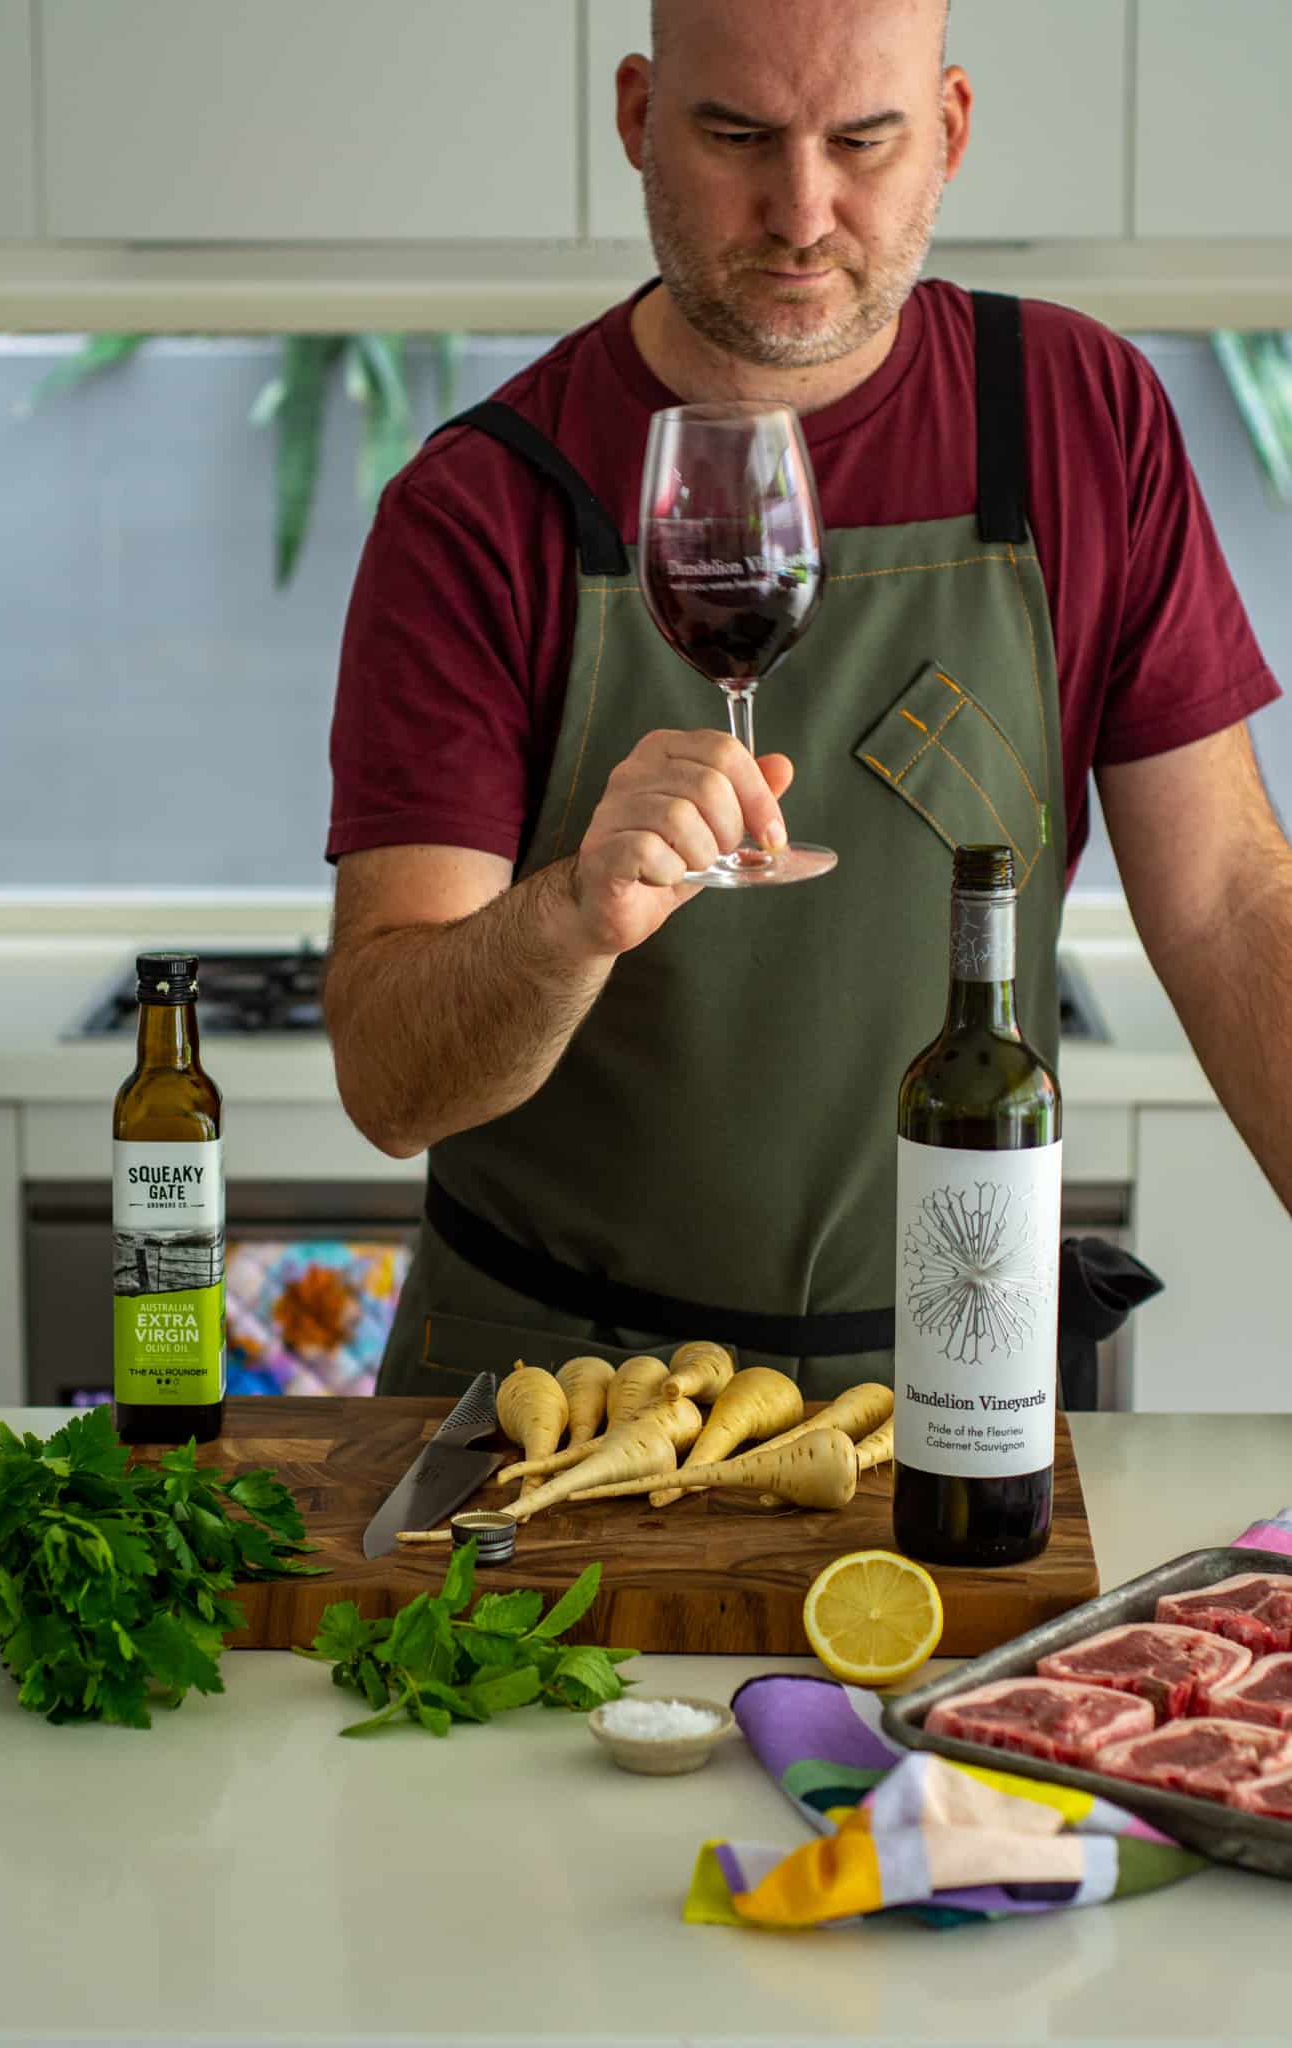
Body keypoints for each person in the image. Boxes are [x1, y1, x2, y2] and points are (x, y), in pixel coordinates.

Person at [325, 0, 1283, 1400]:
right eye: (736, 137)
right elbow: (394, 1087)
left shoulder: (1082, 415)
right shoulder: (478, 508)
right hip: (554, 1404)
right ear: (639, 116)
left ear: (947, 130)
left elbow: (1227, 907)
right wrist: (569, 915)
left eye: (864, 139)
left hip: (961, 1381)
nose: (802, 210)